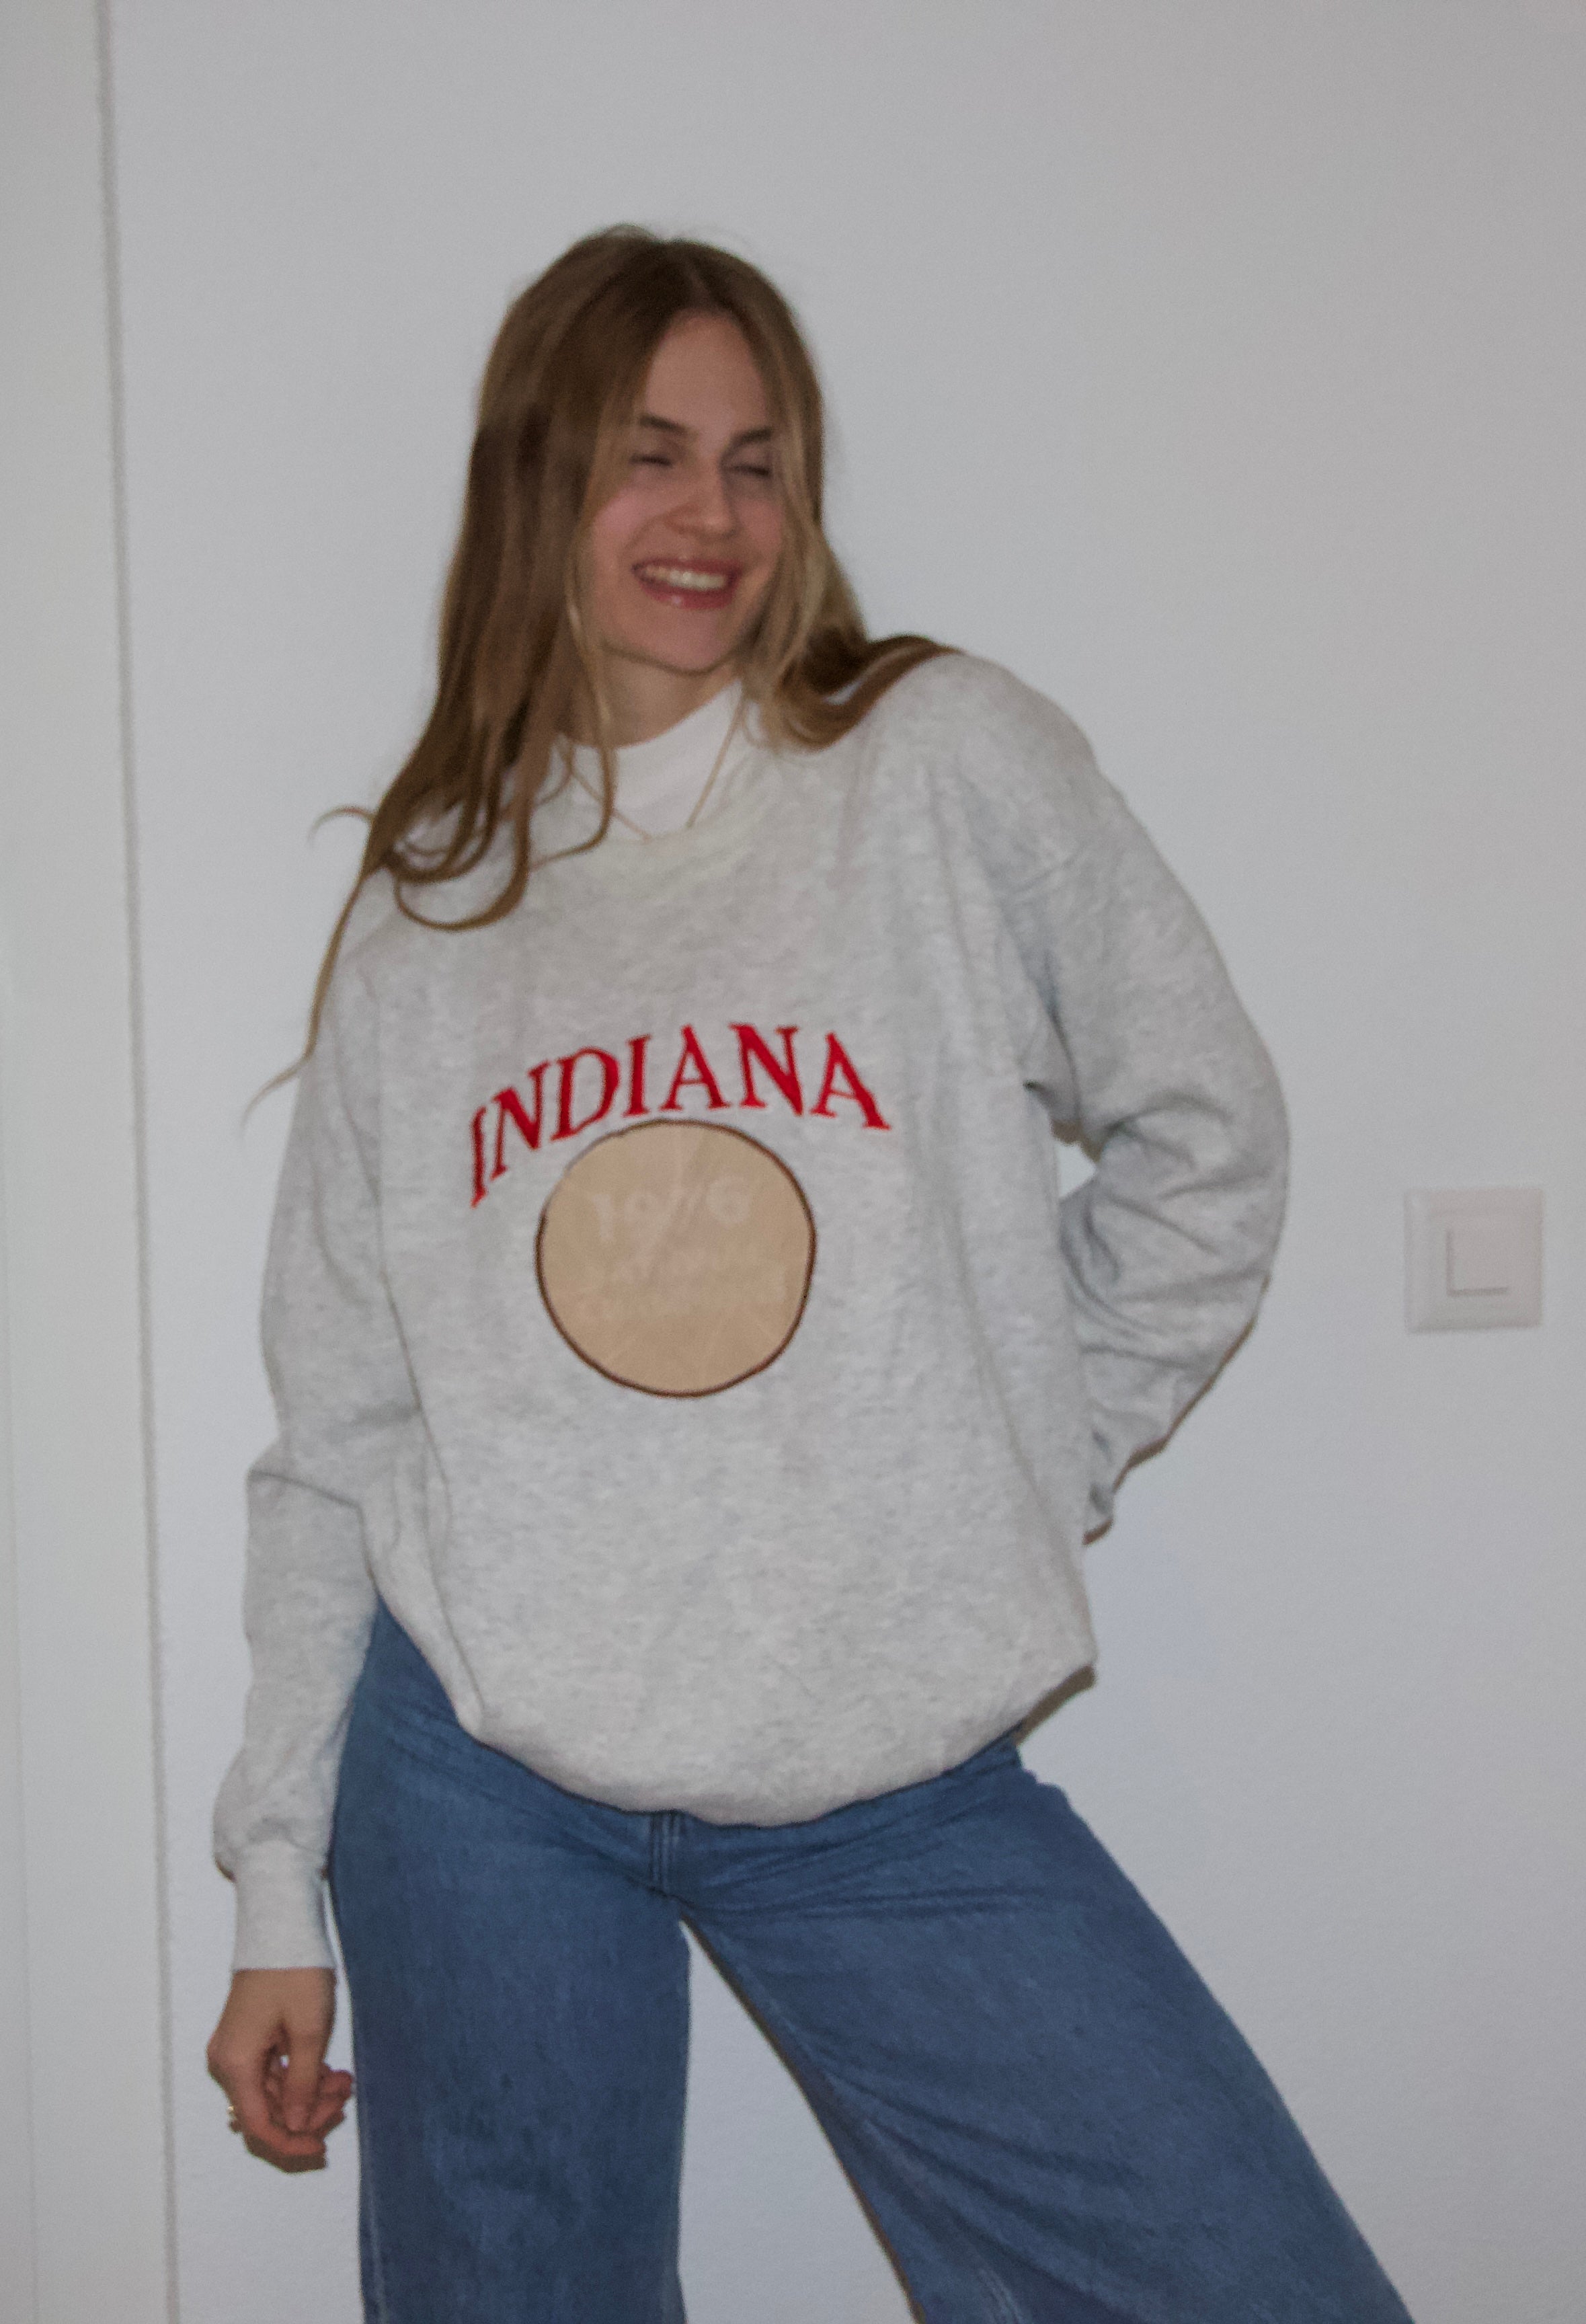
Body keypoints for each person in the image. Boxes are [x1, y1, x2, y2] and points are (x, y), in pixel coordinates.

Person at [206, 226, 1411, 2323]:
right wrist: (272, 1888)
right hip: (479, 1780)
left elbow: (1207, 1136)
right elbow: (342, 1431)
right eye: (649, 453)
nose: (714, 515)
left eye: (758, 461)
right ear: (540, 484)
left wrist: (1016, 1455)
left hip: (885, 1787)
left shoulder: (934, 763)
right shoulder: (439, 902)